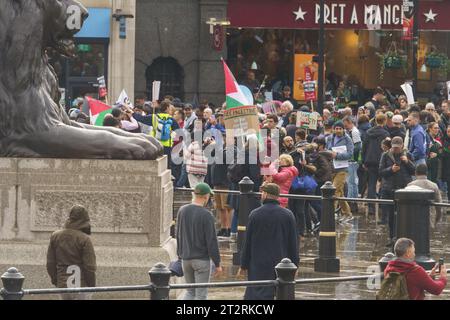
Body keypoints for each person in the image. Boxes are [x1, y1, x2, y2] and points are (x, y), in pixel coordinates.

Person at [240, 183, 299, 300]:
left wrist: (244, 264)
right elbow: (293, 242)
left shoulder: (255, 214)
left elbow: (247, 242)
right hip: (281, 261)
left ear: (265, 194)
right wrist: (295, 264)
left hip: (258, 261)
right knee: (281, 292)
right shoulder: (288, 215)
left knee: (257, 292)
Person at [176, 183, 223, 300]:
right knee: (201, 295)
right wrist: (217, 263)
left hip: (185, 259)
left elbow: (178, 235)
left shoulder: (182, 210)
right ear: (206, 196)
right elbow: (211, 241)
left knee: (190, 292)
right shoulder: (207, 215)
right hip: (201, 260)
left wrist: (180, 255)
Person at [46, 205, 96, 300]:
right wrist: (92, 286)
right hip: (81, 285)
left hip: (63, 285)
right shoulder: (84, 239)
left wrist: (56, 281)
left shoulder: (55, 236)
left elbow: (50, 264)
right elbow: (90, 267)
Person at [379, 137, 415, 246]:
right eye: (394, 147)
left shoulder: (407, 155)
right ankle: (392, 238)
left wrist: (407, 162)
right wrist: (391, 169)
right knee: (391, 216)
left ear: (402, 146)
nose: (396, 150)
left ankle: (404, 238)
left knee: (405, 215)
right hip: (389, 189)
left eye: (398, 148)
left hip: (404, 189)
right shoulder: (385, 155)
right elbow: (380, 172)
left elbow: (414, 170)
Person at [326, 121, 354, 222]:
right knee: (340, 193)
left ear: (343, 129)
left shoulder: (348, 139)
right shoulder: (330, 138)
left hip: (342, 169)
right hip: (332, 168)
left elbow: (350, 154)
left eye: (340, 129)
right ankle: (348, 213)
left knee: (334, 190)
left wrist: (337, 155)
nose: (338, 130)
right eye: (336, 128)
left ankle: (330, 214)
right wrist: (329, 153)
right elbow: (327, 150)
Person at [362, 113, 390, 215]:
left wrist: (364, 161)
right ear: (385, 121)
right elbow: (388, 148)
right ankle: (383, 204)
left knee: (371, 185)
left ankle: (371, 207)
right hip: (382, 160)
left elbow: (364, 147)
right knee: (384, 183)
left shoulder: (368, 132)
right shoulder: (385, 134)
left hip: (370, 161)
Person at [407, 164, 442, 228]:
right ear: (427, 173)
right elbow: (439, 206)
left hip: (413, 220)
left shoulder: (410, 185)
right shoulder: (434, 186)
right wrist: (436, 220)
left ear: (416, 172)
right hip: (429, 220)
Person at [343, 116, 362, 212]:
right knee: (353, 182)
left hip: (352, 161)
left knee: (351, 182)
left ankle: (351, 203)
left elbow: (358, 146)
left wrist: (352, 157)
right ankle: (353, 202)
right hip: (353, 160)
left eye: (345, 125)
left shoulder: (354, 132)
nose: (345, 127)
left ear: (350, 122)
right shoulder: (352, 131)